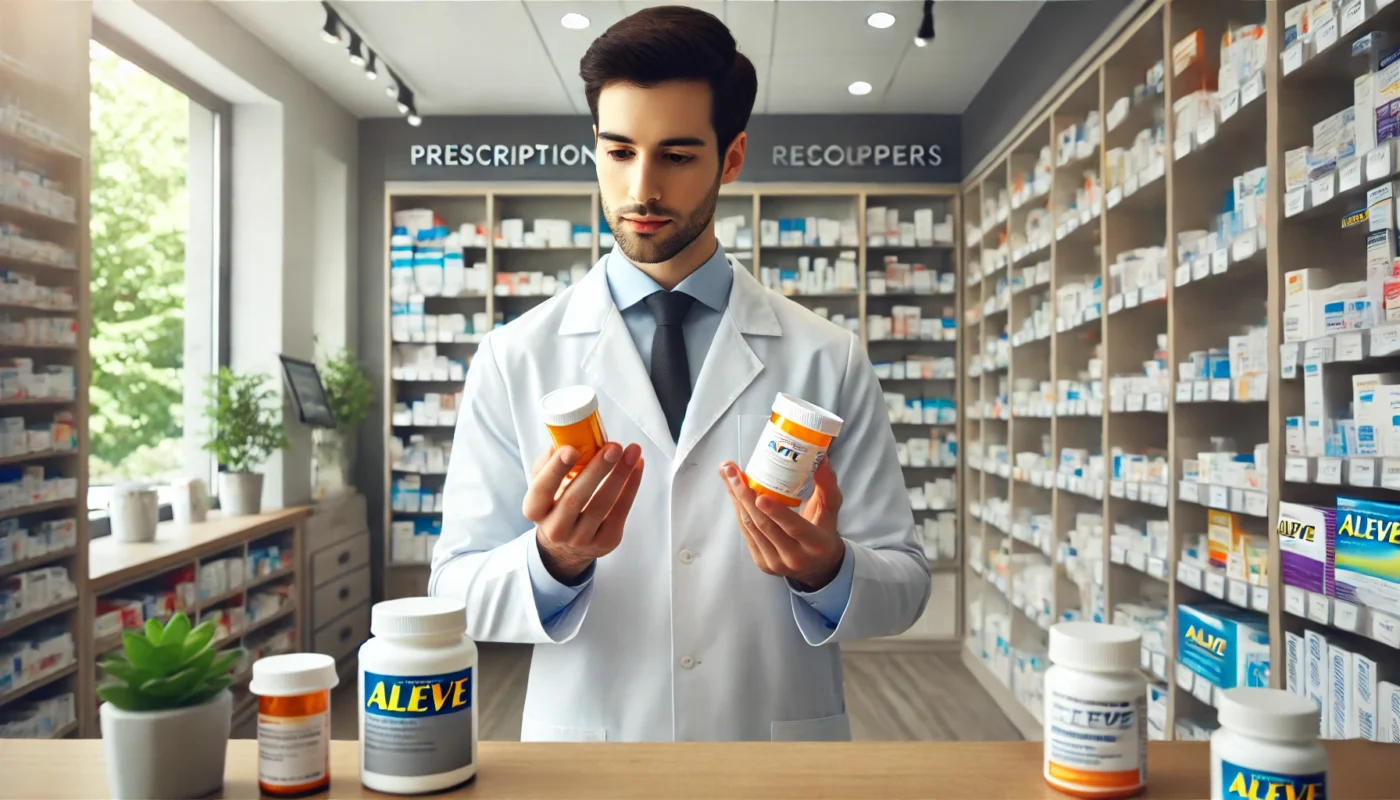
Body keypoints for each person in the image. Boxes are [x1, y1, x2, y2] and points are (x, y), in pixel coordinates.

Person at [430, 4, 931, 743]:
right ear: (594, 147)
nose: (641, 189)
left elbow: (908, 583)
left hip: (770, 752)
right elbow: (454, 589)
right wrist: (553, 560)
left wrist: (828, 569)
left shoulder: (827, 354)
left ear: (730, 159)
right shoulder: (516, 356)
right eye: (620, 151)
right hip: (591, 750)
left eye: (678, 154)